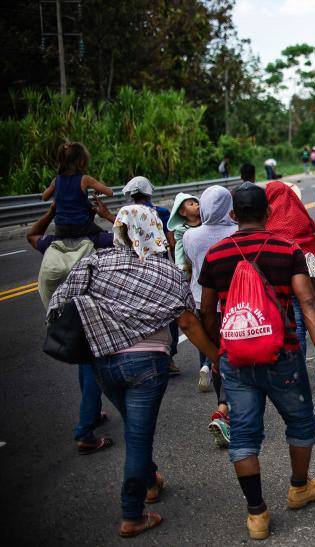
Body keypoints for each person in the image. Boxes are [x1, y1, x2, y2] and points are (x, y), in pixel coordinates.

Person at [48, 205, 219, 538]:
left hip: (103, 364)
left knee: (133, 426)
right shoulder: (165, 270)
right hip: (146, 365)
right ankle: (131, 514)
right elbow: (186, 321)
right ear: (154, 229)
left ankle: (151, 480)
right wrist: (215, 357)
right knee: (138, 437)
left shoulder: (95, 262)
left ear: (119, 230)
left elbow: (59, 302)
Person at [199, 183, 315, 540]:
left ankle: (257, 513)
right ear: (269, 213)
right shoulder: (286, 248)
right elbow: (308, 302)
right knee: (300, 422)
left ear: (232, 216)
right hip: (283, 354)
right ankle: (299, 487)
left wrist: (216, 354)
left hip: (236, 358)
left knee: (244, 434)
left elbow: (206, 312)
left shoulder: (215, 255)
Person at [29, 198, 116, 455]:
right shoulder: (99, 241)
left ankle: (94, 414)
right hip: (90, 313)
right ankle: (85, 432)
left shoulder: (51, 244)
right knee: (92, 369)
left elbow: (32, 234)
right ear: (89, 216)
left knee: (84, 363)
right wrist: (107, 215)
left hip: (65, 317)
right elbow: (133, 235)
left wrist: (50, 211)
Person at [183, 186, 238, 447]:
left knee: (216, 356)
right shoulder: (236, 232)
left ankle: (222, 403)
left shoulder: (191, 236)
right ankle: (227, 409)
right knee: (234, 355)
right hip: (231, 301)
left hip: (201, 302)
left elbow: (192, 264)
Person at [264, 176, 315, 359]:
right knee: (299, 321)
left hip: (276, 281)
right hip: (301, 278)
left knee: (280, 323)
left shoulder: (267, 221)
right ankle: (298, 363)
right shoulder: (298, 214)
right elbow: (314, 240)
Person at [122, 176, 180, 374]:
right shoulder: (161, 213)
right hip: (160, 266)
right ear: (149, 192)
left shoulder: (125, 212)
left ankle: (140, 355)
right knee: (168, 312)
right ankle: (169, 357)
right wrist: (176, 268)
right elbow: (171, 243)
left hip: (135, 268)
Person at [41, 142, 114, 238]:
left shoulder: (56, 180)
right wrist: (100, 186)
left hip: (60, 228)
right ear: (82, 161)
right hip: (82, 226)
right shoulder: (85, 179)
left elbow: (44, 197)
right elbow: (110, 193)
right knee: (108, 238)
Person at [167, 192, 201, 275]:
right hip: (192, 263)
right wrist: (180, 266)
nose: (196, 204)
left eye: (196, 202)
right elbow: (179, 248)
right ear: (183, 212)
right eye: (191, 204)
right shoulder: (181, 230)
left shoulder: (206, 222)